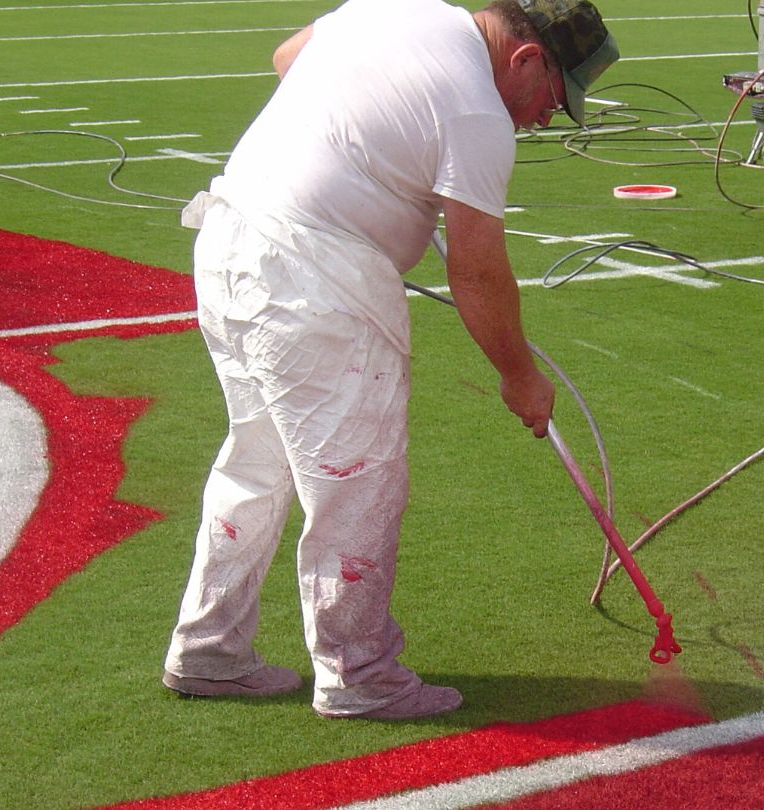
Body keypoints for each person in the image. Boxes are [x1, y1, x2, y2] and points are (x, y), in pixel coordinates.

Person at [164, 0, 619, 720]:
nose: (542, 120)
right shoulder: (477, 112)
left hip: (230, 238)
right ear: (527, 60)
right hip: (313, 275)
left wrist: (377, 154)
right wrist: (519, 376)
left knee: (257, 461)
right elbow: (476, 269)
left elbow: (290, 57)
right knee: (356, 479)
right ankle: (357, 672)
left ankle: (210, 645)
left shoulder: (400, 10)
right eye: (552, 103)